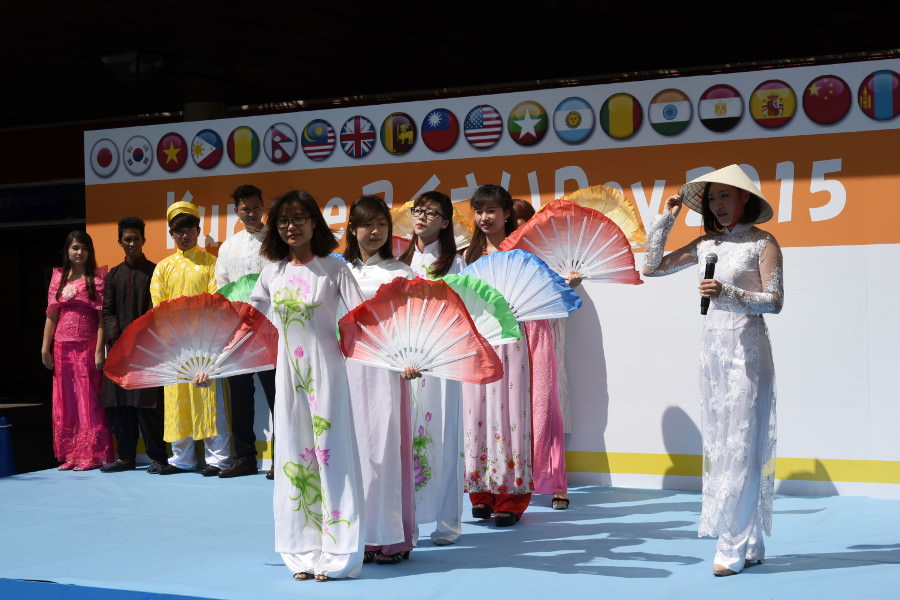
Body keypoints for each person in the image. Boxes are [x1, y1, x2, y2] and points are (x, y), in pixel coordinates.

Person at [641, 164, 783, 577]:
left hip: (748, 351)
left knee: (741, 448)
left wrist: (729, 292)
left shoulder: (763, 243)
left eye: (726, 196)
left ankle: (732, 545)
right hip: (714, 352)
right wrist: (667, 220)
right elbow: (652, 267)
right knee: (724, 447)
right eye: (713, 198)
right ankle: (751, 540)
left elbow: (774, 302)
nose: (719, 205)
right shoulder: (705, 245)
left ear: (745, 199)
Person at [249, 190, 367, 582]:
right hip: (289, 376)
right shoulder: (271, 273)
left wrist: (398, 361)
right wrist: (216, 365)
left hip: (327, 373)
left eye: (299, 218)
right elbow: (251, 327)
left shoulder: (334, 270)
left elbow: (363, 323)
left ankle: (339, 553)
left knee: (332, 457)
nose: (291, 226)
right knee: (294, 460)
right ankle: (302, 550)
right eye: (283, 220)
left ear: (314, 222)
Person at [344, 195, 417, 565]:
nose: (374, 232)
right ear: (352, 229)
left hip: (387, 369)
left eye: (381, 225)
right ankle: (358, 534)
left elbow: (412, 322)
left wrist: (411, 357)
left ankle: (389, 537)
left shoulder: (400, 273)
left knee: (386, 448)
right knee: (352, 451)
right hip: (348, 369)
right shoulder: (339, 271)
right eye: (366, 224)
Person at [398, 190, 467, 545]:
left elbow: (463, 311)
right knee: (407, 439)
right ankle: (407, 520)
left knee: (444, 437)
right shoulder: (400, 261)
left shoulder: (455, 263)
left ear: (445, 221)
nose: (422, 216)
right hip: (406, 358)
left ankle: (448, 523)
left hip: (441, 361)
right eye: (418, 210)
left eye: (431, 212)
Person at [462, 184, 533, 526]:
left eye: (491, 210)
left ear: (507, 214)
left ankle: (511, 495)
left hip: (510, 339)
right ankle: (480, 491)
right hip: (477, 341)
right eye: (479, 211)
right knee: (477, 410)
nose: (484, 218)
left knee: (510, 412)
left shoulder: (523, 253)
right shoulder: (467, 257)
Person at [149, 201, 232, 476]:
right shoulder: (162, 268)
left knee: (210, 401)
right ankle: (181, 459)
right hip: (174, 347)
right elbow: (158, 308)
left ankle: (217, 458)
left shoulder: (211, 264)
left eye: (189, 229)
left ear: (198, 230)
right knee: (176, 402)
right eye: (178, 230)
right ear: (171, 234)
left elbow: (214, 301)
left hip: (204, 344)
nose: (184, 235)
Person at [215, 184, 276, 479]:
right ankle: (245, 458)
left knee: (279, 395)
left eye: (255, 207)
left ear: (262, 207)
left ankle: (284, 459)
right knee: (239, 395)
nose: (250, 213)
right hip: (238, 330)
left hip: (272, 327)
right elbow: (221, 288)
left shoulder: (277, 241)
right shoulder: (229, 247)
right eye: (244, 208)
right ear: (236, 211)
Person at [41, 231, 113, 470]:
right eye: (74, 248)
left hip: (87, 346)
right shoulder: (59, 279)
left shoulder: (97, 278)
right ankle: (71, 454)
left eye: (83, 248)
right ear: (67, 251)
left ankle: (92, 455)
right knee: (66, 399)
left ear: (89, 252)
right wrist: (45, 348)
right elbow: (51, 316)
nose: (79, 252)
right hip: (62, 346)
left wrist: (99, 351)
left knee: (88, 398)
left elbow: (103, 319)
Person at [100, 217, 167, 473]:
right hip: (119, 351)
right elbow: (107, 311)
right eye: (126, 239)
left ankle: (158, 458)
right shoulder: (114, 275)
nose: (131, 244)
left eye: (135, 239)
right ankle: (125, 458)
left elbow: (156, 308)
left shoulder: (154, 271)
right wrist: (117, 339)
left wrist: (137, 338)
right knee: (120, 407)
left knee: (147, 407)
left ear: (143, 240)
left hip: (147, 351)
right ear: (119, 241)